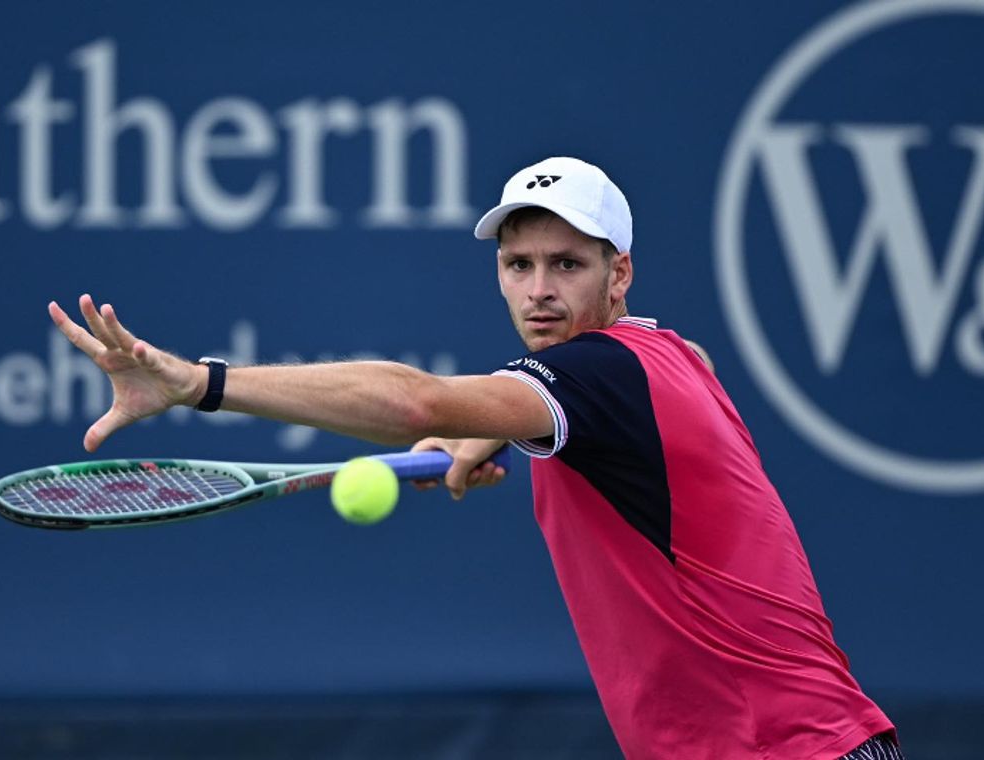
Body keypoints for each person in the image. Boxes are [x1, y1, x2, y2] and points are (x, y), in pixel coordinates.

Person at [50, 156, 900, 759]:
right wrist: (503, 424)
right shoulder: (662, 357)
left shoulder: (597, 373)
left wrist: (200, 382)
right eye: (518, 265)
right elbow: (675, 379)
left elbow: (417, 401)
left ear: (620, 273)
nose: (539, 291)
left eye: (567, 265)